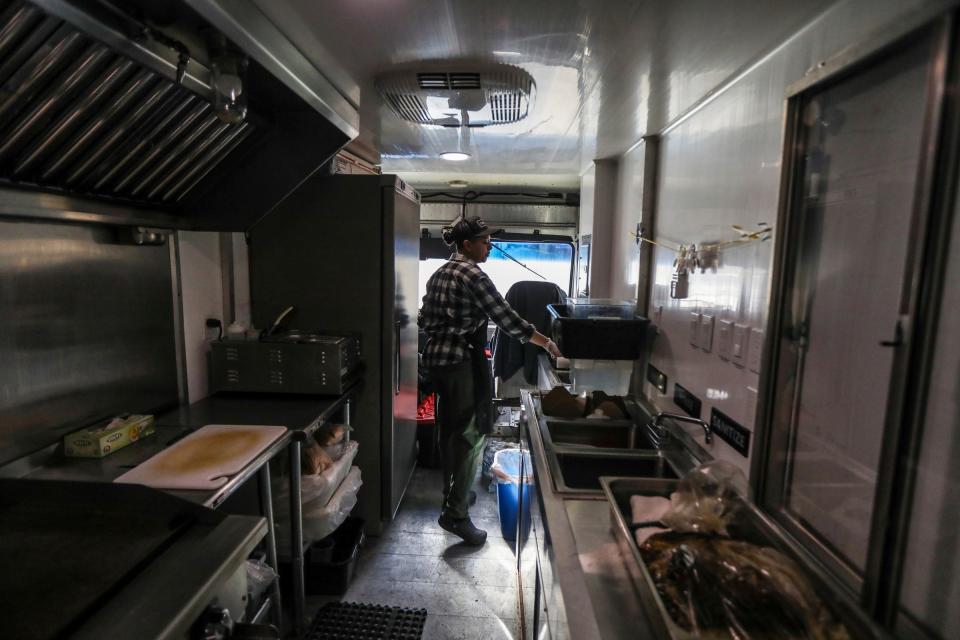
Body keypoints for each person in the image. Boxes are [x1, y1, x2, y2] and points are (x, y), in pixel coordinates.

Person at [419, 214, 562, 545]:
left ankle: (453, 494)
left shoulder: (440, 273)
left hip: (437, 364)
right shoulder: (473, 275)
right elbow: (508, 319)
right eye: (484, 242)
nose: (489, 246)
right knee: (473, 434)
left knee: (450, 432)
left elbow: (425, 317)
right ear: (467, 245)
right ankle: (455, 515)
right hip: (458, 364)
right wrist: (548, 343)